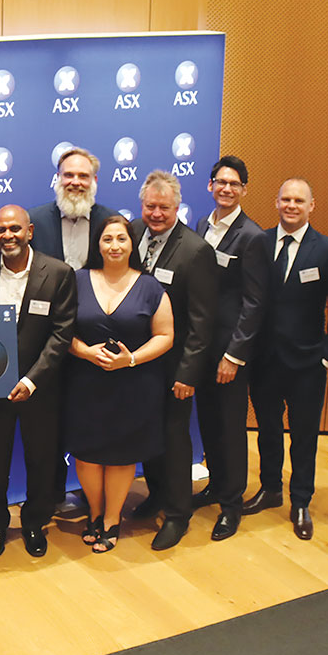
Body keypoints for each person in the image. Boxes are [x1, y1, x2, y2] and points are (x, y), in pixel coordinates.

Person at [0, 204, 77, 557]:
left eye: (15, 229)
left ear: (29, 231)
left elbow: (61, 335)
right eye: (1, 229)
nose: (8, 236)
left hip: (39, 389)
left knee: (42, 460)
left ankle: (34, 523)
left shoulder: (58, 273)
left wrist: (31, 380)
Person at [243, 178, 328, 540]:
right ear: (276, 202)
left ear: (311, 206)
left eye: (298, 201)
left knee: (304, 436)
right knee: (267, 430)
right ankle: (270, 488)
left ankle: (301, 500)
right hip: (264, 360)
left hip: (308, 363)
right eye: (285, 199)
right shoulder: (260, 242)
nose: (291, 206)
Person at [66, 215, 175, 552]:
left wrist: (131, 359)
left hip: (133, 385)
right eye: (107, 239)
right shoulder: (77, 280)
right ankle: (95, 514)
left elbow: (165, 335)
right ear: (97, 245)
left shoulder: (150, 286)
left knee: (120, 455)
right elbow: (60, 330)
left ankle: (112, 519)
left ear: (132, 245)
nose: (114, 246)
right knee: (86, 454)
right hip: (84, 383)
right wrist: (85, 352)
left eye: (121, 239)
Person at [128, 170, 218, 550]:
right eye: (150, 206)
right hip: (139, 362)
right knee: (148, 434)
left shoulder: (196, 251)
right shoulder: (132, 233)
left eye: (164, 208)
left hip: (175, 367)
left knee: (175, 439)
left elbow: (203, 321)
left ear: (178, 207)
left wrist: (189, 373)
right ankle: (157, 494)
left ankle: (178, 514)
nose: (156, 214)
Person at [191, 156, 268, 540]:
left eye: (234, 184)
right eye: (220, 182)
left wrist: (234, 356)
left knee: (231, 427)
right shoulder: (202, 225)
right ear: (210, 185)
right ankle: (216, 485)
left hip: (228, 354)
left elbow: (254, 302)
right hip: (200, 348)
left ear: (244, 190)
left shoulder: (252, 236)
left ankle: (232, 505)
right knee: (208, 421)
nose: (226, 189)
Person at [28, 147, 116, 269]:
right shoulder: (35, 221)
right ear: (58, 177)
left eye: (83, 176)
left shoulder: (111, 221)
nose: (75, 182)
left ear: (94, 180)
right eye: (69, 175)